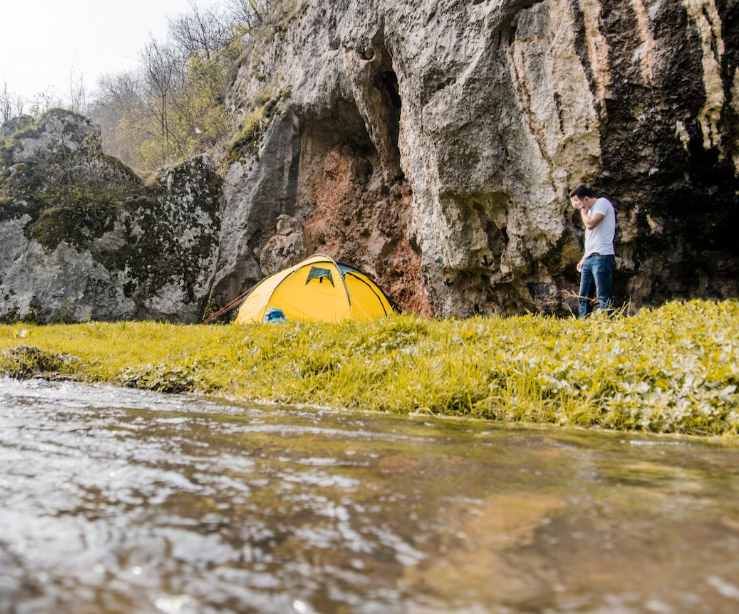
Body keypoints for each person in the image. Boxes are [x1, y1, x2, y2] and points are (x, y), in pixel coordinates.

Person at [569, 185, 616, 318]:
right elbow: (592, 238)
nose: (576, 206)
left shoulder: (602, 203)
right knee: (584, 296)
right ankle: (584, 324)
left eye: (577, 202)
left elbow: (590, 225)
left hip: (602, 256)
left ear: (586, 198)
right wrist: (584, 258)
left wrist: (582, 209)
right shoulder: (589, 211)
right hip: (590, 258)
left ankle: (608, 322)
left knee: (603, 294)